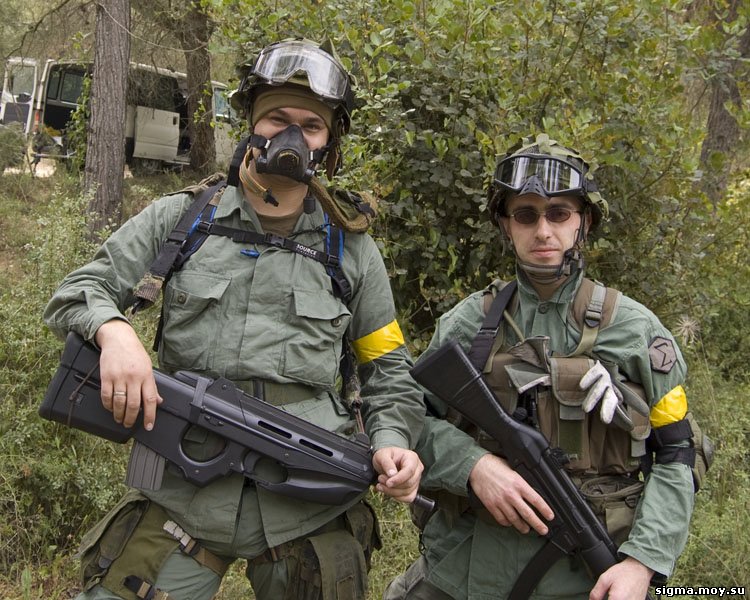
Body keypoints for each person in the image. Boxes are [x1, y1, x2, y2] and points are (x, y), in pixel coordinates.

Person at [43, 38, 424, 600]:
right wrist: (115, 331)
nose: (292, 137)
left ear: (329, 144)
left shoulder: (352, 251)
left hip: (306, 498)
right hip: (180, 489)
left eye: (311, 126)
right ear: (250, 125)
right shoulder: (184, 219)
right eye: (276, 119)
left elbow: (388, 370)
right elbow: (78, 291)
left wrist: (393, 441)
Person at [384, 133, 709, 600]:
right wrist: (474, 466)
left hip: (583, 577)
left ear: (583, 222)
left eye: (559, 214)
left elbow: (679, 452)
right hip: (462, 567)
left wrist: (642, 563)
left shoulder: (635, 329)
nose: (542, 231)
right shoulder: (467, 324)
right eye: (526, 214)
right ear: (506, 224)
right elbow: (409, 419)